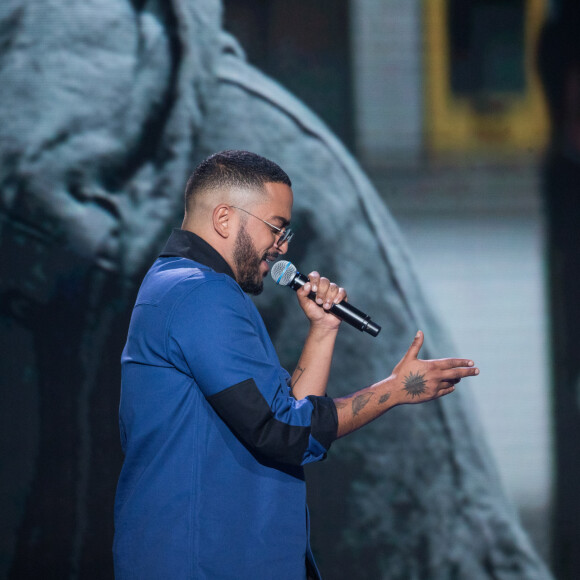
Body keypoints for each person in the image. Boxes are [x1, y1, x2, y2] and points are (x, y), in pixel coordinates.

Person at [113, 150, 479, 579]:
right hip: (207, 561)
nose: (283, 247)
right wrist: (394, 389)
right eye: (277, 227)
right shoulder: (201, 294)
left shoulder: (180, 285)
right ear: (225, 219)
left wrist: (323, 330)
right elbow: (282, 431)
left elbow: (284, 413)